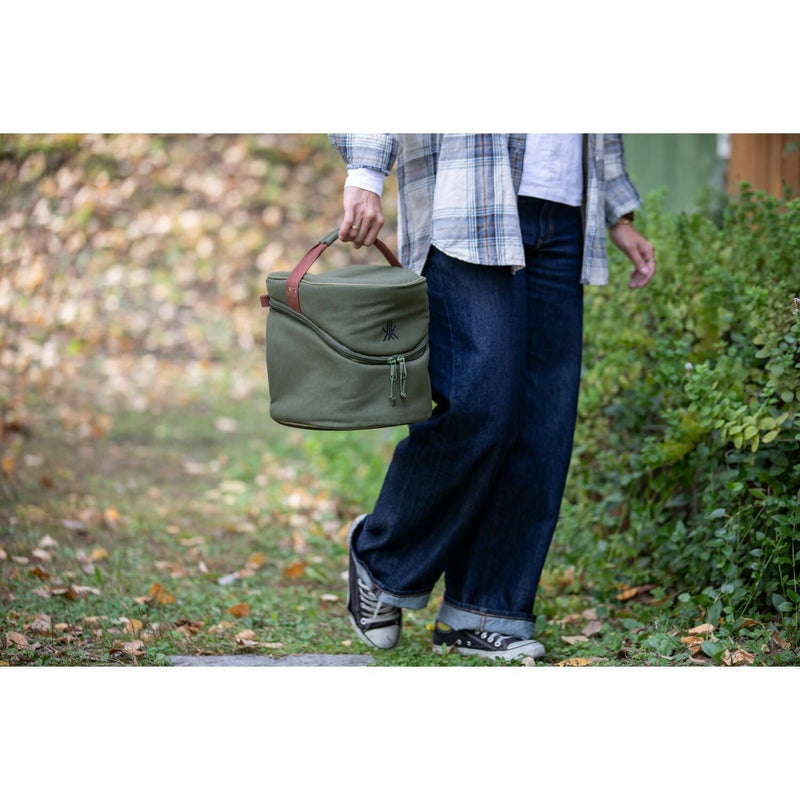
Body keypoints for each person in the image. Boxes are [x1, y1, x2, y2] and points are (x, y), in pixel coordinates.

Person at [329, 134, 655, 661]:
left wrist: (616, 209)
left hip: (565, 210)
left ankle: (483, 613)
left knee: (541, 425)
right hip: (471, 195)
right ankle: (382, 557)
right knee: (480, 407)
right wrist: (366, 172)